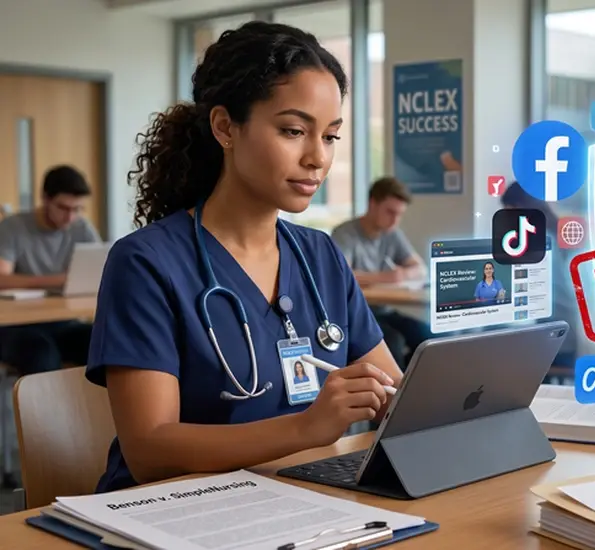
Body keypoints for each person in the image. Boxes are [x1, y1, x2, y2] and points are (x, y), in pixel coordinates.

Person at [85, 21, 402, 493]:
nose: (318, 158)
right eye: (294, 130)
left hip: (301, 498)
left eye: (331, 136)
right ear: (225, 127)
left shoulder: (319, 255)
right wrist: (305, 428)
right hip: (172, 511)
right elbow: (149, 451)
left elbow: (396, 392)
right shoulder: (146, 263)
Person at [0, 165, 101, 375]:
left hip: (63, 320)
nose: (71, 217)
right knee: (42, 353)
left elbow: (100, 269)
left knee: (103, 343)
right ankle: (51, 409)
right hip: (16, 326)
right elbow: (2, 278)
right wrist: (58, 280)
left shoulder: (81, 227)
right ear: (45, 199)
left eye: (77, 209)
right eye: (63, 208)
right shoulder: (13, 227)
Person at [330, 177, 431, 369]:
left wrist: (401, 275)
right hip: (357, 314)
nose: (395, 220)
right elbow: (343, 277)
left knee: (427, 337)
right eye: (390, 212)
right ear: (372, 204)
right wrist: (390, 277)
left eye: (400, 214)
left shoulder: (392, 233)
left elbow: (420, 268)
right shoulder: (345, 234)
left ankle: (416, 389)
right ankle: (397, 397)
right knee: (393, 341)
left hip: (385, 310)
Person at [499, 182, 578, 367]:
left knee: (489, 340)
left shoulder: (537, 242)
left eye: (509, 210)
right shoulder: (554, 235)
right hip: (567, 334)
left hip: (553, 340)